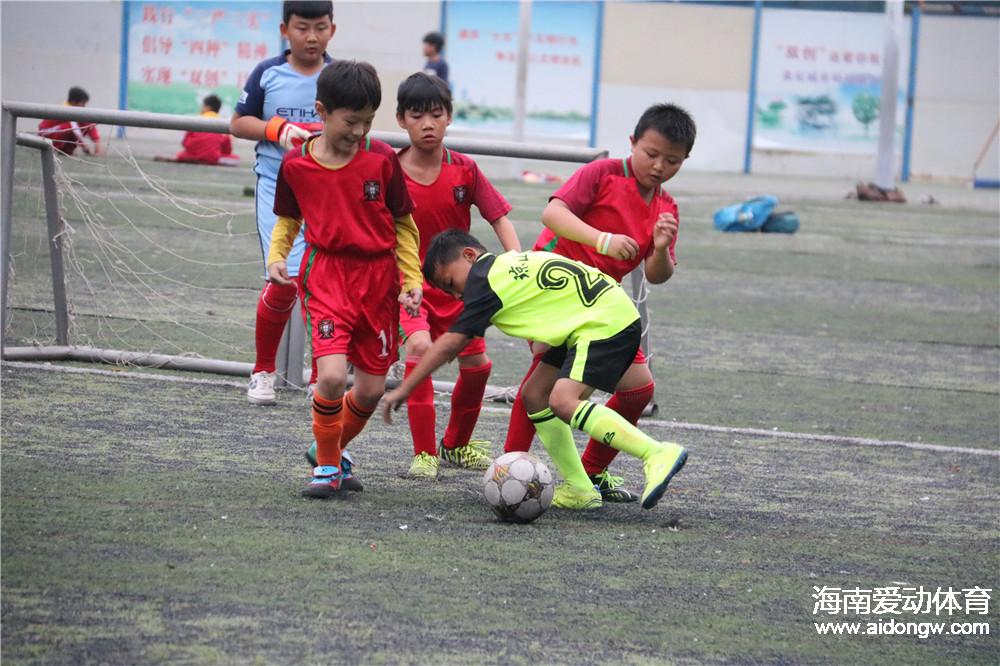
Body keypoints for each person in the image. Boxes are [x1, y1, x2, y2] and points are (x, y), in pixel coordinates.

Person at [382, 230, 689, 511]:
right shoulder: (509, 265)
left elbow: (451, 343)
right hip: (598, 314)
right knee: (535, 394)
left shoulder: (484, 281)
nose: (458, 295)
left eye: (451, 283)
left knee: (563, 400)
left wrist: (407, 387)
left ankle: (656, 453)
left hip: (600, 322)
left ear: (469, 255)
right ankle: (581, 488)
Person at [503, 103, 696, 506]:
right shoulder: (602, 173)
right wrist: (601, 239)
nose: (660, 166)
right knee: (541, 388)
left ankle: (589, 474)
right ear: (632, 143)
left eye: (672, 161)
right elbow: (552, 212)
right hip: (556, 293)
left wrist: (660, 249)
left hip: (602, 309)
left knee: (638, 390)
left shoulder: (666, 207)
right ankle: (512, 468)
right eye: (652, 154)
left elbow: (658, 274)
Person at [268, 59, 423, 498]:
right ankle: (328, 469)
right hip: (328, 277)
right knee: (333, 378)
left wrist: (411, 278)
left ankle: (329, 451)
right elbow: (288, 217)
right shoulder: (297, 165)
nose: (359, 132)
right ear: (321, 110)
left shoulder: (381, 161)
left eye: (368, 122)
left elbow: (403, 225)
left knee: (372, 389)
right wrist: (278, 256)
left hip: (378, 282)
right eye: (351, 122)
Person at [231, 0, 334, 408]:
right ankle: (262, 372)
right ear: (284, 29)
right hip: (277, 188)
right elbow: (238, 123)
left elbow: (356, 124)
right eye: (303, 27)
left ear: (332, 30)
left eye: (320, 27)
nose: (311, 36)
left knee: (325, 283)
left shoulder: (338, 76)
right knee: (283, 278)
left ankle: (324, 374)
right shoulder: (267, 72)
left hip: (329, 192)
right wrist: (278, 129)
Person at [169, 95, 240, 166]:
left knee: (179, 155)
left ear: (207, 108)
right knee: (236, 159)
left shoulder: (195, 120)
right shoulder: (223, 123)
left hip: (191, 156)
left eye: (202, 106)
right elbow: (227, 150)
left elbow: (185, 143)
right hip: (212, 158)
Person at [38, 87, 102, 156]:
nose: (84, 106)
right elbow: (75, 130)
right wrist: (85, 147)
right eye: (83, 103)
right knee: (69, 127)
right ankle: (53, 150)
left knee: (81, 125)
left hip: (57, 132)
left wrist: (97, 142)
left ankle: (66, 151)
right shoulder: (64, 109)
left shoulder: (76, 110)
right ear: (73, 102)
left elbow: (88, 123)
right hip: (45, 133)